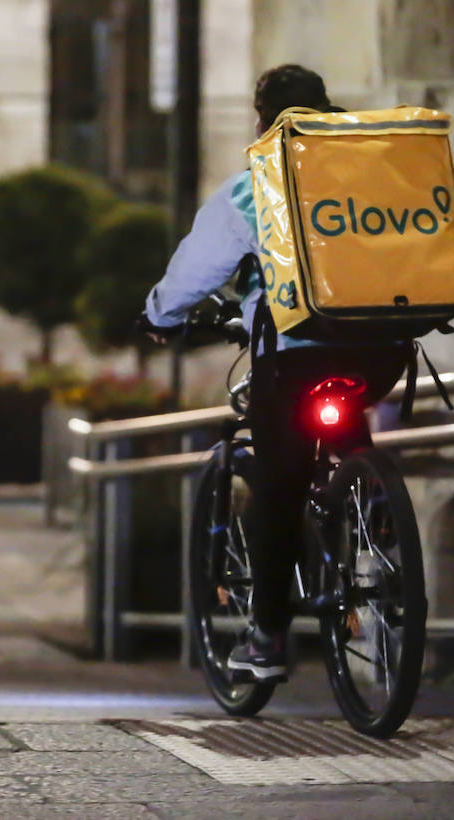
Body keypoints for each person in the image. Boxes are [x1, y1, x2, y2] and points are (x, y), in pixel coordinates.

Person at [138, 64, 411, 680]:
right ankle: (372, 507)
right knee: (344, 424)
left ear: (263, 120)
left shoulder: (253, 186)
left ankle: (266, 637)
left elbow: (194, 273)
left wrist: (159, 316)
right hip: (381, 350)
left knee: (278, 486)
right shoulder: (384, 171)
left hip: (294, 358)